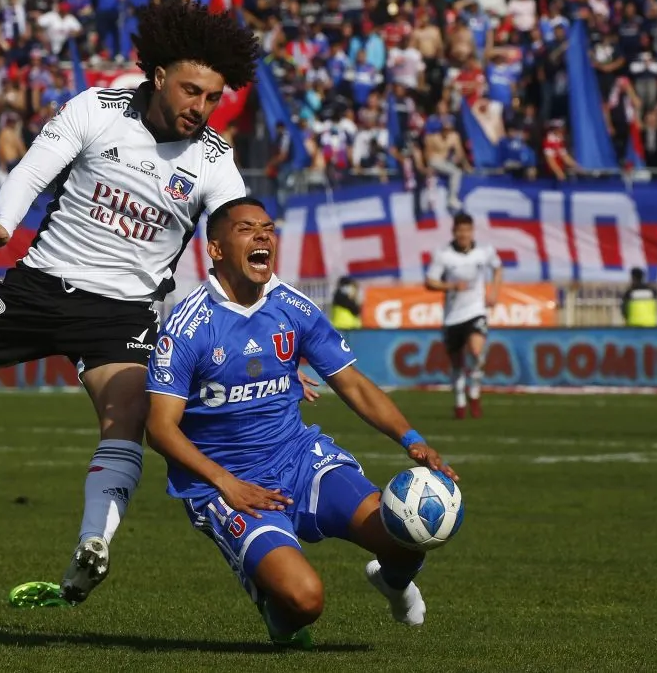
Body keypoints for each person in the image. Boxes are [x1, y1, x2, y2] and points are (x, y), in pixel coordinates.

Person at [0, 1, 279, 606]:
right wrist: (3, 222)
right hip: (39, 288)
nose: (199, 109)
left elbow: (238, 236)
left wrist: (272, 326)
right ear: (157, 76)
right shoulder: (96, 109)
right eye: (190, 91)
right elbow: (32, 168)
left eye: (211, 98)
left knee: (127, 417)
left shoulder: (213, 158)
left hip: (122, 314)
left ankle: (91, 548)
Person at [144, 198, 458, 648]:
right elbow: (160, 428)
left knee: (407, 531)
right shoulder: (187, 327)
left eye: (268, 229)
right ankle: (276, 609)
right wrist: (226, 483)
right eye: (247, 229)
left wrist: (412, 440)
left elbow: (352, 384)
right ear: (215, 250)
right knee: (305, 601)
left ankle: (392, 581)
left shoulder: (294, 307)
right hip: (228, 484)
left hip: (301, 458)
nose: (262, 237)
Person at [425, 213, 502, 419]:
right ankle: (459, 402)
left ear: (472, 231)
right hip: (452, 316)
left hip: (476, 310)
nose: (464, 234)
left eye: (467, 230)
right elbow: (430, 281)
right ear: (454, 232)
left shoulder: (484, 252)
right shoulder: (444, 254)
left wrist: (494, 291)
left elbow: (497, 268)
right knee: (457, 363)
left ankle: (474, 393)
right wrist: (451, 286)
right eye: (460, 230)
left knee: (477, 352)